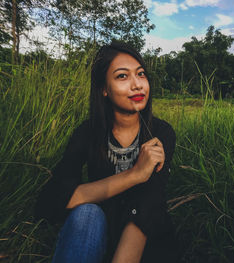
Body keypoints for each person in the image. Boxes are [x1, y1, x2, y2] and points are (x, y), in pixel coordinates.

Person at [35, 41, 178, 263]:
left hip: (143, 239)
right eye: (122, 76)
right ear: (103, 88)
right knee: (87, 214)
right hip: (95, 230)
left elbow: (150, 203)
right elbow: (51, 201)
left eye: (141, 74)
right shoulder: (87, 133)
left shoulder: (161, 133)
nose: (137, 85)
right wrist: (134, 175)